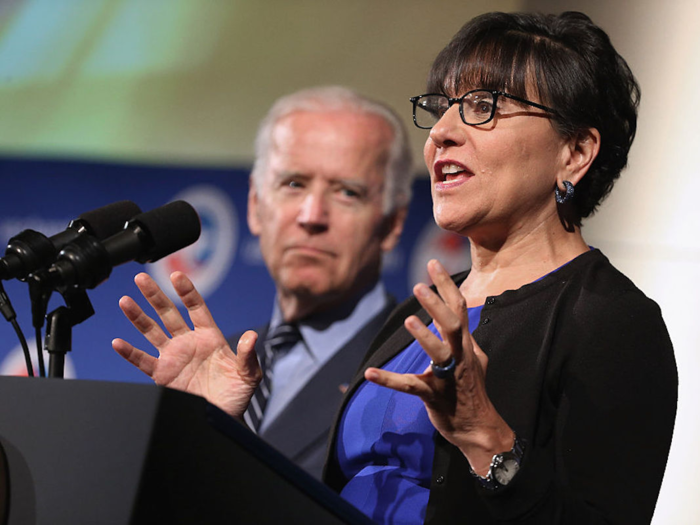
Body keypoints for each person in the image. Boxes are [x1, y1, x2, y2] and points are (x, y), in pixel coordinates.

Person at [112, 11, 677, 525]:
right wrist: (220, 432)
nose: (443, 133)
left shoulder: (608, 322)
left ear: (575, 152)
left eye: (483, 106)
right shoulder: (419, 311)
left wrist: (487, 439)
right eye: (442, 108)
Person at [133, 86, 414, 480]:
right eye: (294, 184)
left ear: (392, 224)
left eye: (348, 193)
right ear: (255, 206)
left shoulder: (414, 372)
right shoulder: (208, 367)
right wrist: (187, 431)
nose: (312, 215)